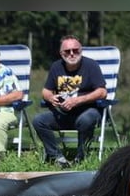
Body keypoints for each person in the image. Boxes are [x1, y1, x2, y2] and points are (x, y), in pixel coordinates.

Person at [33, 35, 106, 168]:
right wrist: (50, 97)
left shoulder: (91, 65)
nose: (72, 54)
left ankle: (81, 157)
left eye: (75, 50)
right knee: (39, 120)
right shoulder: (56, 67)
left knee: (85, 120)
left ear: (81, 50)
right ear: (61, 53)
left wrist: (78, 100)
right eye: (67, 51)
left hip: (88, 111)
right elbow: (45, 91)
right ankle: (57, 157)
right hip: (63, 114)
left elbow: (102, 92)